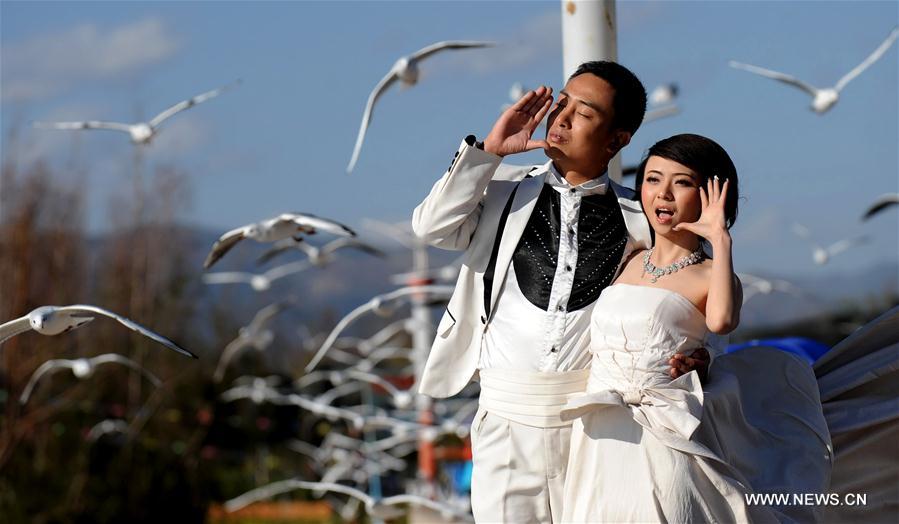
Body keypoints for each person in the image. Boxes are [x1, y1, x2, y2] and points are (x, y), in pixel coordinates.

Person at [411, 62, 709, 522]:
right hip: (507, 415)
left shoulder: (642, 220)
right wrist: (489, 152)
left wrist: (701, 355)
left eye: (583, 112)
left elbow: (688, 299)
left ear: (617, 139)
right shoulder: (498, 189)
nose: (562, 118)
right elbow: (432, 228)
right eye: (561, 103)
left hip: (599, 422)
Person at [560, 134, 830, 522]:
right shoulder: (628, 260)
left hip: (663, 438)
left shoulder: (710, 274)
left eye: (682, 182)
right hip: (599, 433)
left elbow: (722, 322)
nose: (663, 194)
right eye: (653, 179)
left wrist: (720, 238)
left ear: (708, 195)